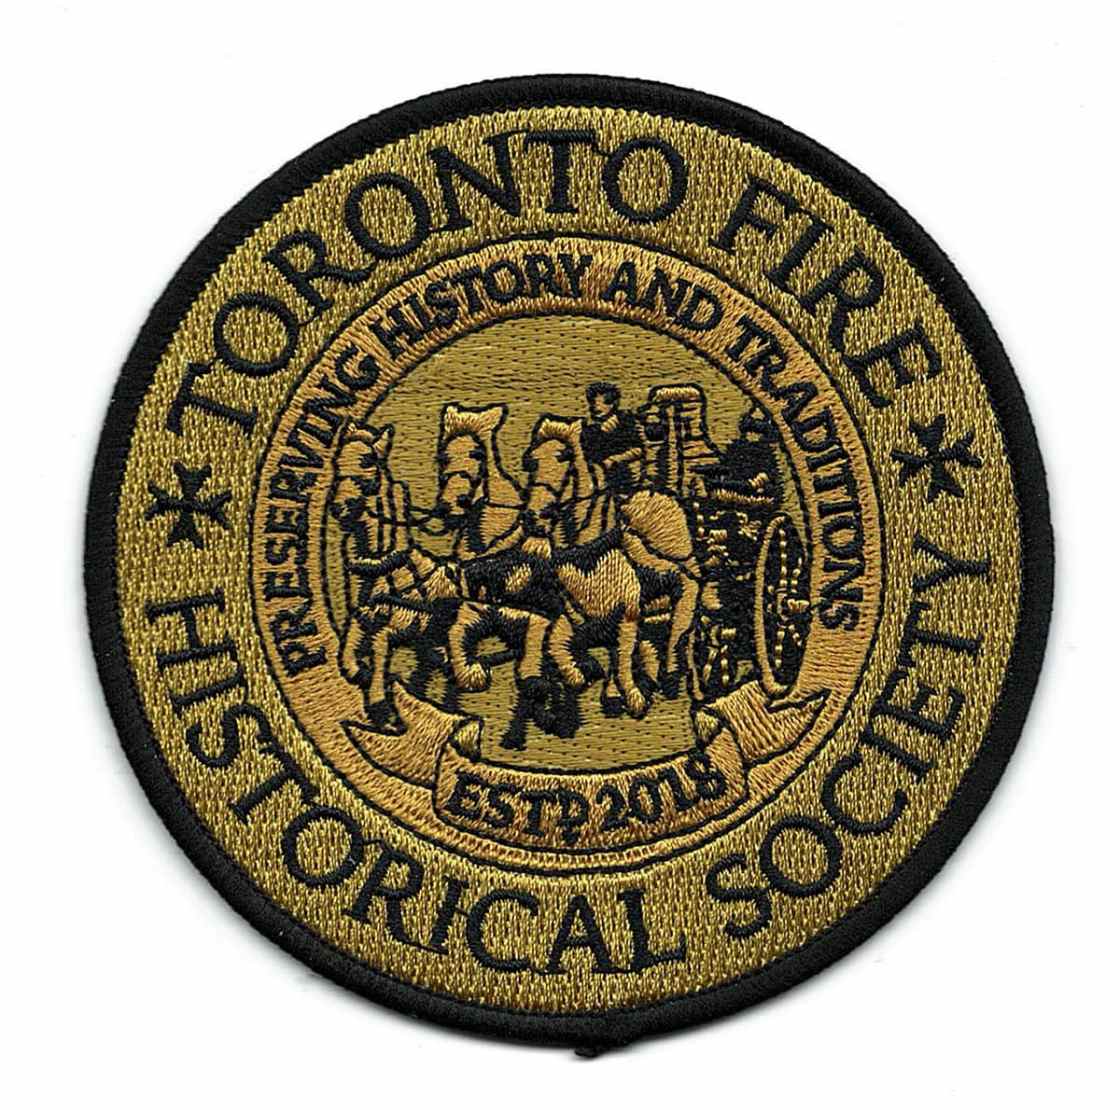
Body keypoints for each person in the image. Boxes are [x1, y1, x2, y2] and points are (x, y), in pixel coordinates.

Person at [580, 382, 643, 496]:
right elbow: (585, 450)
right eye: (591, 402)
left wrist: (615, 459)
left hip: (624, 478)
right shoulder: (588, 426)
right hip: (594, 478)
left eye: (599, 403)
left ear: (613, 404)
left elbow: (639, 449)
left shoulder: (625, 420)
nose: (594, 407)